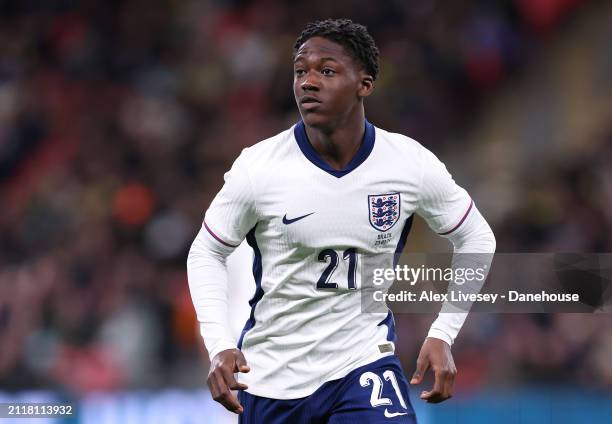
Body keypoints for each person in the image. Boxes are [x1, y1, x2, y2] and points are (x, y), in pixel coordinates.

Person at [187, 18, 496, 423]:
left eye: (326, 71)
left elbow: (477, 238)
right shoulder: (259, 168)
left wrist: (443, 332)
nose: (307, 82)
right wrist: (219, 344)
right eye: (300, 71)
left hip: (364, 365)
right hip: (272, 380)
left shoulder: (408, 163)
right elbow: (206, 251)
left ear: (364, 84)